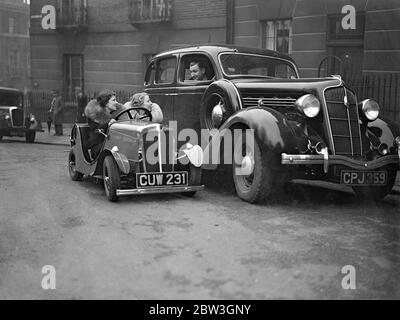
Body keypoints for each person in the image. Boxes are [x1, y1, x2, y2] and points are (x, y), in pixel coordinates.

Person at [84, 89, 121, 160]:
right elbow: (97, 129)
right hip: (98, 146)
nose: (116, 102)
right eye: (113, 100)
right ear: (105, 102)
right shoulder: (96, 115)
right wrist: (109, 123)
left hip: (114, 145)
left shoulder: (116, 114)